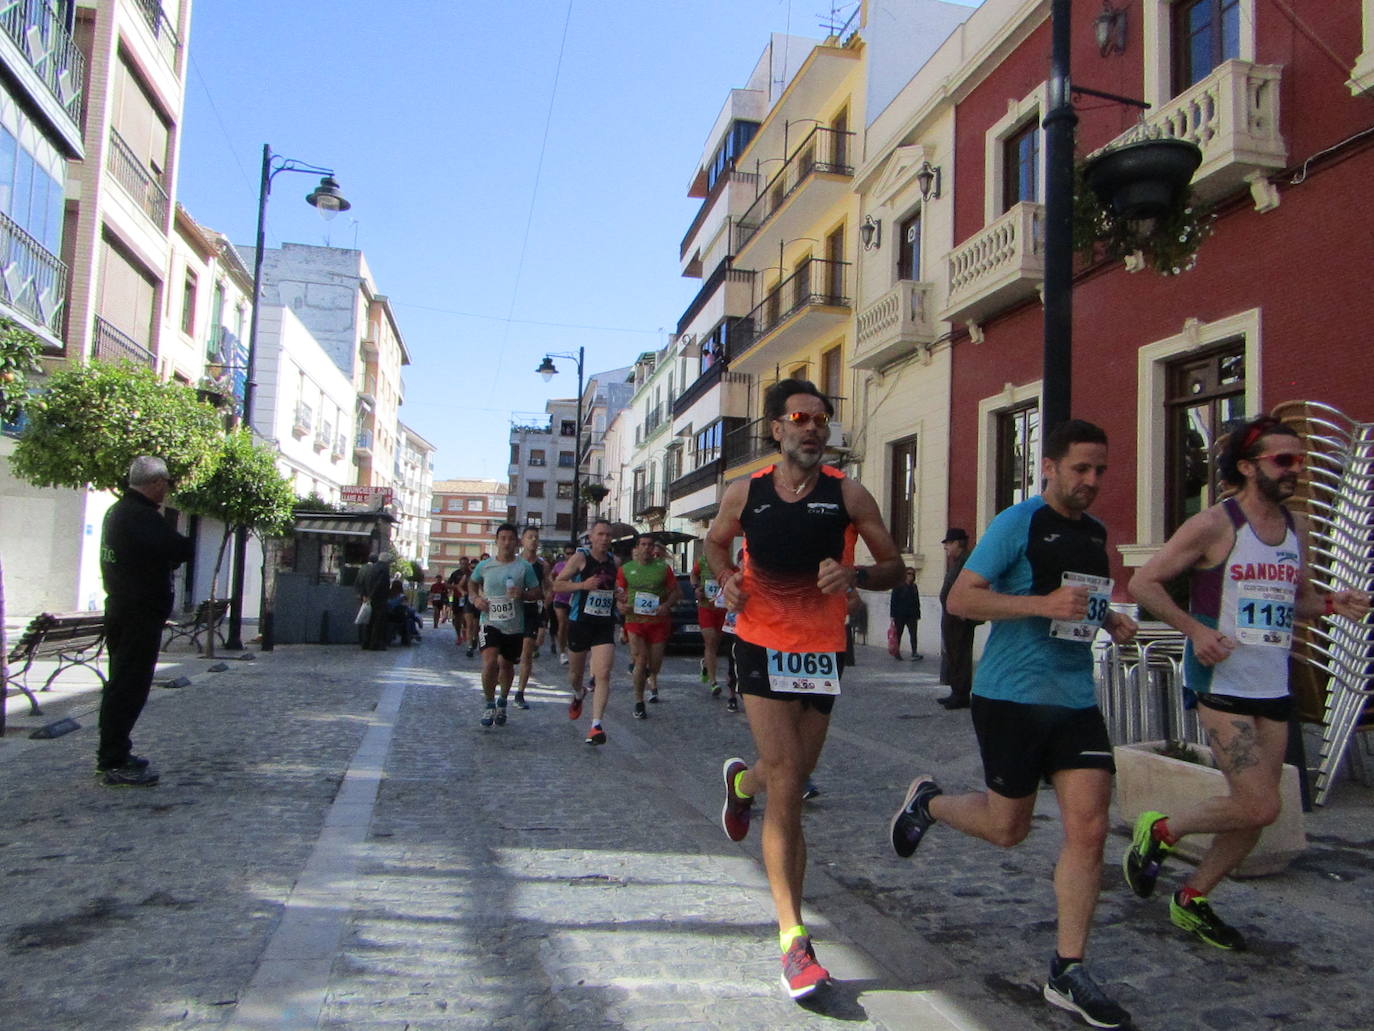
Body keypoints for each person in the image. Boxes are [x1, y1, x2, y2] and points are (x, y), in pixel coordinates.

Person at [888, 419, 1139, 1030]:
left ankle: (1068, 969)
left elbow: (1080, 598)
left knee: (1090, 827)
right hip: (1010, 697)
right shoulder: (1016, 523)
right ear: (1048, 466)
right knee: (1008, 830)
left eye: (1100, 470)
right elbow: (961, 600)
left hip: (1075, 699)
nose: (1092, 481)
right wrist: (1037, 606)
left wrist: (1108, 621)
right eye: (1080, 468)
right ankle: (930, 802)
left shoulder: (1096, 532)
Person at [1125, 415, 1370, 949]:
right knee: (1261, 804)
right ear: (1246, 466)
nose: (1295, 471)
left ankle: (1192, 898)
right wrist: (1194, 629)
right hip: (1221, 680)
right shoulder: (1216, 524)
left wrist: (1333, 604)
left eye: (1299, 461)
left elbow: (1296, 600)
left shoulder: (1297, 526)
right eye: (1284, 461)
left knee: (1258, 808)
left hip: (1273, 684)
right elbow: (1143, 582)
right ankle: (1160, 828)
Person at [706, 379, 903, 1001]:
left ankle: (742, 783)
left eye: (823, 418)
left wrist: (857, 573)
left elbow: (896, 565)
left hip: (822, 651)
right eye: (800, 417)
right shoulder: (748, 491)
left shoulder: (849, 492)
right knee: (789, 782)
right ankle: (794, 939)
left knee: (787, 770)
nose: (814, 427)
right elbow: (715, 543)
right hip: (761, 643)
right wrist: (727, 581)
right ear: (777, 429)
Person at [96, 457, 194, 787]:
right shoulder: (140, 516)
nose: (166, 489)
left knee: (123, 682)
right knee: (128, 686)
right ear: (155, 483)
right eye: (165, 482)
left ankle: (116, 751)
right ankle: (113, 758)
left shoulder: (117, 512)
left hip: (124, 608)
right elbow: (179, 548)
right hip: (137, 613)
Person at [551, 519, 620, 745]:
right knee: (575, 675)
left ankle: (596, 725)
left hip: (603, 623)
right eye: (600, 534)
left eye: (608, 535)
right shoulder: (580, 558)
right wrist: (582, 586)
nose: (604, 539)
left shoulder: (614, 561)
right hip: (580, 621)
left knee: (603, 673)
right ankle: (578, 693)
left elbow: (614, 587)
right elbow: (557, 585)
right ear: (590, 537)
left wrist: (620, 594)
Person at [469, 524, 542, 728]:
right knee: (490, 662)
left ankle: (502, 700)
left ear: (516, 542)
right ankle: (489, 703)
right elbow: (472, 583)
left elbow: (537, 592)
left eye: (511, 538)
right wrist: (475, 599)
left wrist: (523, 594)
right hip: (489, 621)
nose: (507, 542)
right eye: (503, 538)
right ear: (497, 541)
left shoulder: (523, 567)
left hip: (514, 625)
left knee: (507, 665)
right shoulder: (485, 566)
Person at [617, 532, 681, 718]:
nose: (646, 548)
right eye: (642, 544)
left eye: (649, 545)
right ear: (637, 547)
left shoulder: (663, 568)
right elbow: (619, 593)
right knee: (640, 660)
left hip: (658, 622)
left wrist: (666, 606)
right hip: (635, 621)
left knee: (654, 666)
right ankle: (639, 701)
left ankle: (647, 675)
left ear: (653, 548)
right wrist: (621, 605)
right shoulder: (625, 569)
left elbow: (675, 593)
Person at [937, 528, 976, 709]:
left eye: (948, 544)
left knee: (960, 654)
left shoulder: (967, 562)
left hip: (959, 617)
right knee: (953, 653)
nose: (946, 548)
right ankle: (956, 691)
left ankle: (961, 695)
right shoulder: (958, 561)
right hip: (952, 616)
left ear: (957, 543)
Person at [514, 526, 552, 709]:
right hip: (513, 610)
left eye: (536, 537)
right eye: (530, 537)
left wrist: (545, 607)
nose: (533, 540)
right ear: (522, 540)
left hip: (531, 611)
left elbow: (549, 587)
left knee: (527, 652)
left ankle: (520, 692)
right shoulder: (513, 562)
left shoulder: (542, 565)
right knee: (505, 655)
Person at [692, 552, 727, 694]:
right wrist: (696, 588)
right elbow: (693, 574)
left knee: (716, 644)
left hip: (721, 608)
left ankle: (705, 663)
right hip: (706, 608)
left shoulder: (727, 562)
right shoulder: (702, 561)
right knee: (710, 641)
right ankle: (713, 682)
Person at [358, 551, 394, 651]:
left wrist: (366, 595)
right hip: (379, 599)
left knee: (369, 621)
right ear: (387, 561)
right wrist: (373, 595)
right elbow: (380, 584)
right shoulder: (384, 569)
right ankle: (375, 644)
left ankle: (366, 642)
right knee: (378, 622)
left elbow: (365, 581)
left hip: (369, 597)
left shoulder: (372, 567)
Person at [889, 567, 923, 660]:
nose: (910, 576)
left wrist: (918, 614)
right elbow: (893, 601)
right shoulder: (898, 586)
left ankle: (914, 652)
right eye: (908, 573)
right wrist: (892, 615)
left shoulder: (914, 587)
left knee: (913, 634)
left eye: (912, 574)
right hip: (900, 615)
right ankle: (897, 652)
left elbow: (917, 601)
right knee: (898, 634)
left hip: (912, 615)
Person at [550, 544, 576, 663]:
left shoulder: (579, 566)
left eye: (572, 553)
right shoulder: (559, 565)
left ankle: (569, 645)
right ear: (564, 554)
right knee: (562, 623)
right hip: (560, 598)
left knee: (571, 626)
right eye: (568, 553)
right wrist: (554, 586)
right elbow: (551, 577)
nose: (570, 555)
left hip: (574, 599)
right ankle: (562, 652)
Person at [448, 559, 470, 646]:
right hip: (457, 598)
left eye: (465, 564)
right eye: (462, 564)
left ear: (468, 564)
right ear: (459, 564)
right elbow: (448, 585)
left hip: (468, 597)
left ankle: (464, 631)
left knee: (467, 616)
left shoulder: (471, 573)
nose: (463, 565)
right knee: (457, 617)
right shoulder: (455, 573)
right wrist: (457, 587)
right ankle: (458, 636)